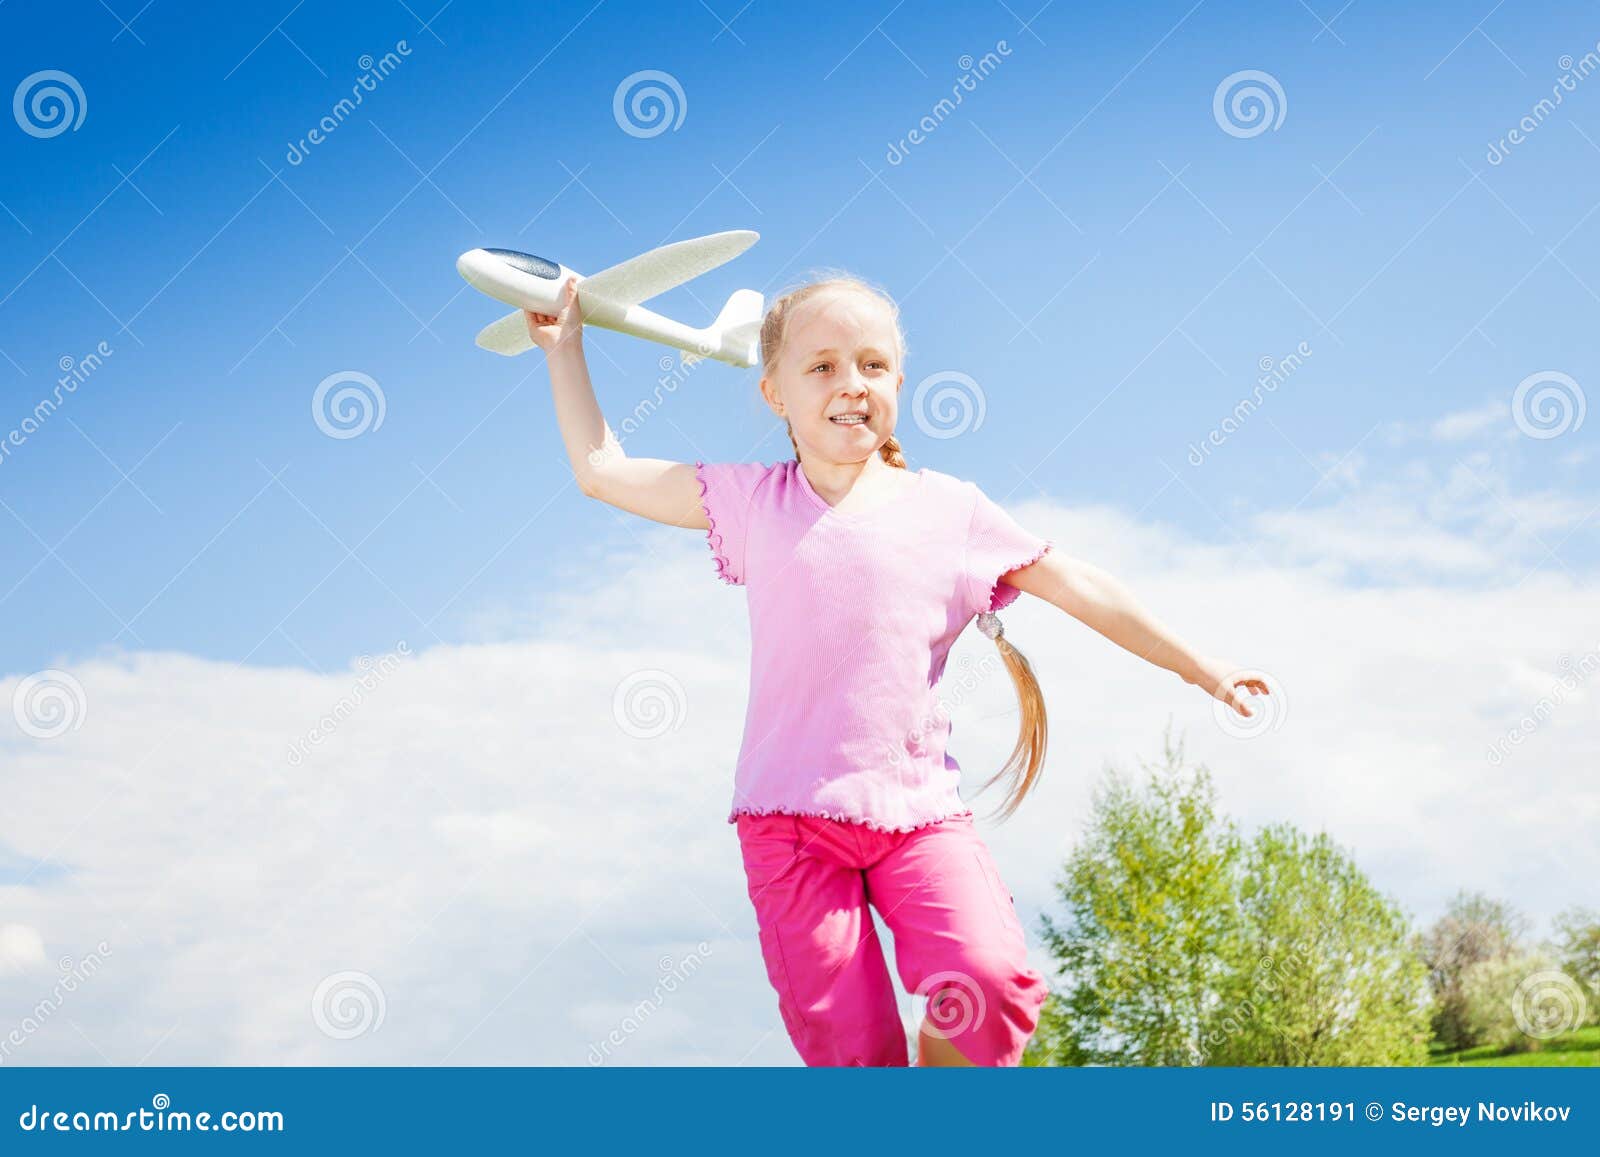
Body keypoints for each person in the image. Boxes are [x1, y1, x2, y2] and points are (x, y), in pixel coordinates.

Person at [522, 270, 1268, 1067]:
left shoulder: (951, 512)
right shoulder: (752, 504)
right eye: (822, 367)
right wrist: (565, 346)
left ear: (900, 383)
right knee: (854, 1050)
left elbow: (1078, 584)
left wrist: (1200, 666)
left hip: (918, 819)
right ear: (774, 392)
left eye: (873, 365)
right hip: (790, 829)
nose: (852, 385)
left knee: (987, 983)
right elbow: (602, 470)